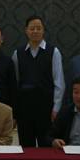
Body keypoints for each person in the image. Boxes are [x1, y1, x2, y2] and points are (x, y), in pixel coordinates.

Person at [12, 15, 65, 147]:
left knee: (46, 148)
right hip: (24, 110)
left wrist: (56, 108)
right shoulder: (18, 53)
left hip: (46, 109)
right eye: (32, 28)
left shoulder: (54, 52)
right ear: (26, 30)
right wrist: (15, 111)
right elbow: (15, 83)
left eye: (38, 28)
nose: (35, 31)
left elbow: (59, 83)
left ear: (43, 30)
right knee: (26, 149)